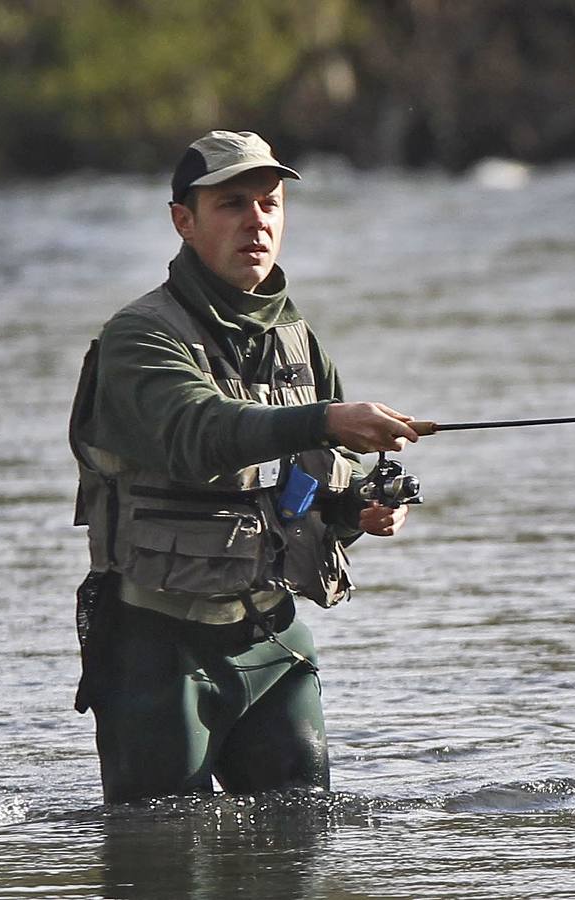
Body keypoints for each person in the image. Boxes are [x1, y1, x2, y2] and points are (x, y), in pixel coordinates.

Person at [70, 130, 420, 804]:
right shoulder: (139, 337)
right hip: (158, 647)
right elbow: (199, 435)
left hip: (272, 640)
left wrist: (356, 509)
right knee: (164, 860)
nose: (257, 221)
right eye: (232, 204)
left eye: (270, 203)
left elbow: (318, 481)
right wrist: (325, 418)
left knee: (303, 847)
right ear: (183, 221)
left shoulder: (297, 337)